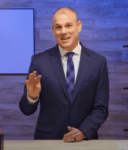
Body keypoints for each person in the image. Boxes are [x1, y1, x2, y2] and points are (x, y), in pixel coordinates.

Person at [19, 7, 109, 143]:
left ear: (79, 26)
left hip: (84, 141)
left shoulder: (98, 62)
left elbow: (101, 108)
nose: (63, 32)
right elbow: (26, 110)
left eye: (68, 25)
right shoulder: (39, 62)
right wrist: (32, 97)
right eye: (58, 27)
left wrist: (84, 131)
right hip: (48, 141)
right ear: (53, 30)